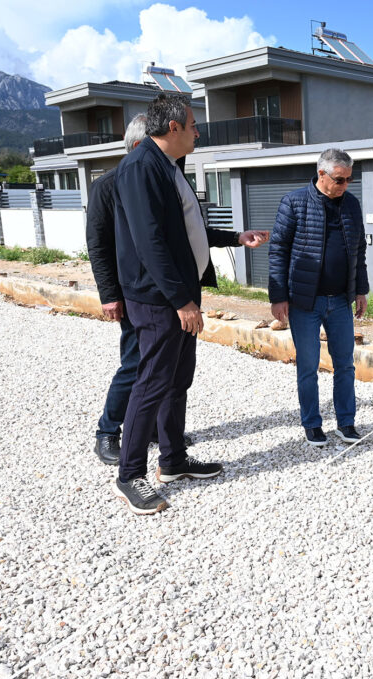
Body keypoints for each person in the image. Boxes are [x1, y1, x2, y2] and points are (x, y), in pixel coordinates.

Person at [113, 93, 267, 514]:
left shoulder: (169, 166)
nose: (199, 132)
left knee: (178, 380)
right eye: (194, 125)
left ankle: (173, 460)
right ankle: (130, 475)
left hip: (181, 295)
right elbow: (151, 243)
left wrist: (234, 237)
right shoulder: (141, 168)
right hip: (160, 299)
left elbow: (188, 229)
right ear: (174, 128)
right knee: (152, 381)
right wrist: (181, 301)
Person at [86, 114, 193, 465]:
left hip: (163, 290)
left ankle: (156, 434)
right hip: (135, 293)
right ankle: (108, 431)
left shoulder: (167, 179)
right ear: (138, 146)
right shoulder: (109, 185)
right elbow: (99, 245)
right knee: (136, 364)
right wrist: (109, 295)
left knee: (166, 370)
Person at [268, 148, 368, 447]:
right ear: (321, 174)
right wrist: (278, 296)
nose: (345, 186)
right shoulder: (294, 202)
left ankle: (346, 423)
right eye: (339, 179)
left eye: (349, 179)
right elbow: (278, 251)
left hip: (340, 300)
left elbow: (359, 251)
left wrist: (361, 289)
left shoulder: (351, 204)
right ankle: (312, 424)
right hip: (304, 302)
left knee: (345, 365)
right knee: (308, 368)